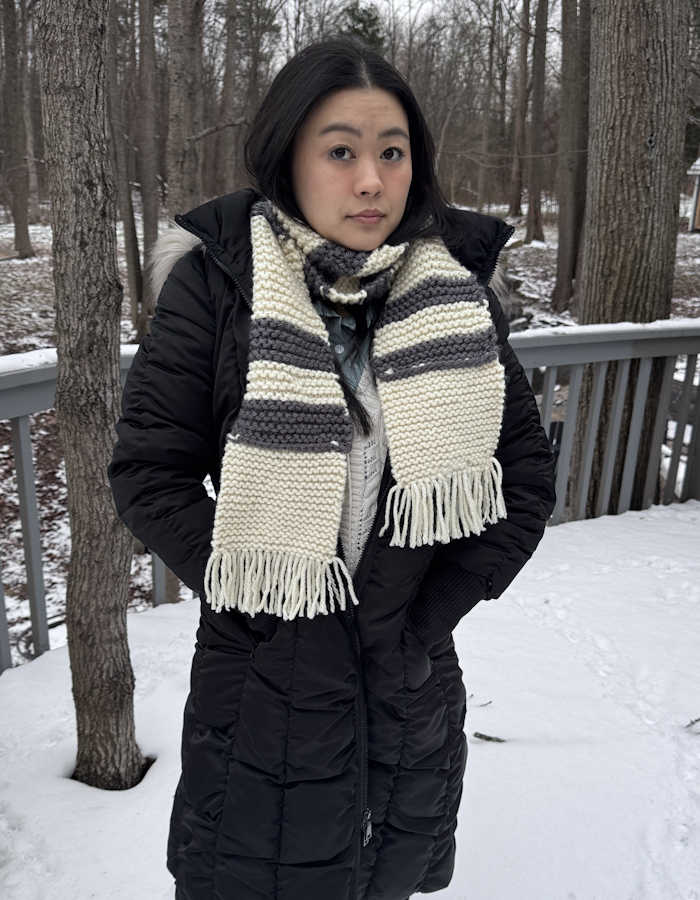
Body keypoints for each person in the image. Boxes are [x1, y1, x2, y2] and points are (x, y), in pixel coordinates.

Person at [108, 35, 556, 900]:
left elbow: (523, 476)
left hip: (408, 686)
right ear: (289, 155)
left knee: (383, 874)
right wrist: (265, 590)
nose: (371, 180)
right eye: (341, 151)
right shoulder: (219, 288)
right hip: (260, 690)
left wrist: (425, 615)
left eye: (392, 152)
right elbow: (149, 472)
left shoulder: (454, 292)